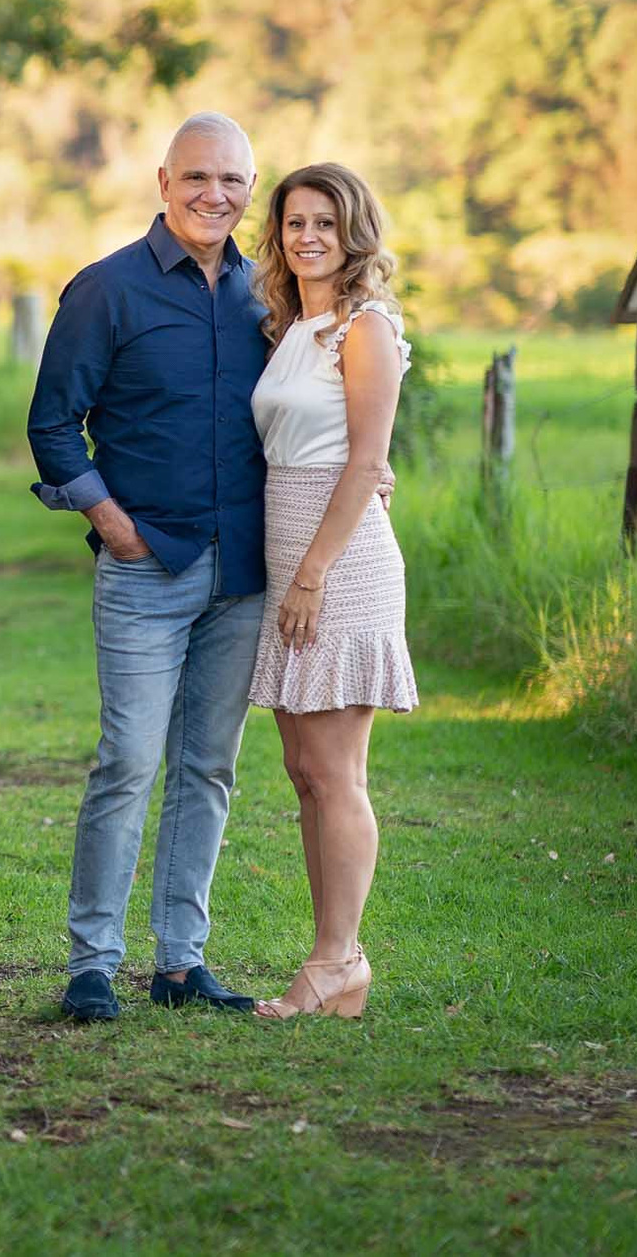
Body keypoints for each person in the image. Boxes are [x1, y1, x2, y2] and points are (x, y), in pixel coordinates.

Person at [27, 113, 271, 1023]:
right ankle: (93, 962)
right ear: (163, 180)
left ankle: (182, 961)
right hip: (145, 568)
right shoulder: (106, 291)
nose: (216, 196)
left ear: (252, 187)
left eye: (234, 181)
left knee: (207, 768)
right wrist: (108, 518)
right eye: (199, 177)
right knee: (128, 762)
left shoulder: (267, 294)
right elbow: (53, 423)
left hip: (243, 572)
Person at [244, 163, 418, 1020]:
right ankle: (335, 960)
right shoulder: (290, 325)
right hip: (288, 553)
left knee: (335, 771)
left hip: (335, 564)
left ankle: (336, 958)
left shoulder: (367, 328)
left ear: (355, 233)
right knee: (303, 771)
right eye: (293, 223)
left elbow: (365, 460)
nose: (307, 236)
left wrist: (312, 573)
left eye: (324, 222)